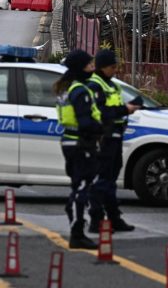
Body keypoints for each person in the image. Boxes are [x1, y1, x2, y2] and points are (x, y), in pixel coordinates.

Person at [54, 49, 103, 249]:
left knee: (80, 185)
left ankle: (78, 225)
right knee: (82, 186)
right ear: (80, 68)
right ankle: (77, 231)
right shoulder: (79, 91)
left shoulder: (67, 88)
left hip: (70, 141)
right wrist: (102, 128)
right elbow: (85, 122)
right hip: (81, 143)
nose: (93, 68)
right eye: (90, 65)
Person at [87, 49, 140, 233]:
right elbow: (101, 112)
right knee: (103, 179)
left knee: (110, 179)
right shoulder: (96, 86)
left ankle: (114, 218)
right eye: (112, 66)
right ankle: (96, 220)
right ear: (103, 67)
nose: (115, 69)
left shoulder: (109, 84)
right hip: (104, 137)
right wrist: (125, 109)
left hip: (114, 135)